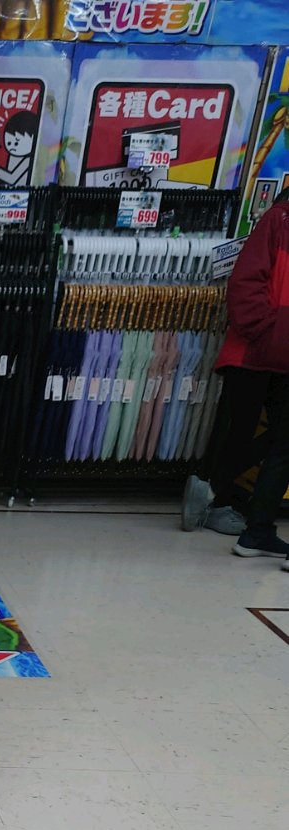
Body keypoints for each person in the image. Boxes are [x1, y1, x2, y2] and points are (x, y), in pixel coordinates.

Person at [181, 189, 289, 561]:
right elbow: (245, 283)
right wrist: (268, 331)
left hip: (279, 355)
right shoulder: (278, 220)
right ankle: (217, 496)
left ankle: (215, 492)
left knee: (277, 438)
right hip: (253, 352)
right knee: (238, 430)